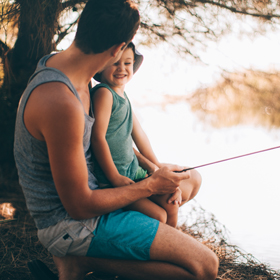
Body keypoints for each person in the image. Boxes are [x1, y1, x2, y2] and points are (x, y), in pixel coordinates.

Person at [13, 0, 219, 279]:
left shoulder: (73, 71)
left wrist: (154, 169)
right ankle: (78, 262)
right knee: (204, 268)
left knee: (189, 179)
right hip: (71, 225)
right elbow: (79, 206)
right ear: (117, 48)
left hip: (95, 195)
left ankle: (94, 258)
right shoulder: (59, 99)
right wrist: (148, 187)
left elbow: (111, 142)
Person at [90, 42, 200, 227]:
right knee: (159, 216)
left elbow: (139, 135)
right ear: (101, 66)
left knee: (171, 202)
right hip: (113, 181)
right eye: (115, 63)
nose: (122, 69)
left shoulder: (123, 97)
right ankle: (167, 243)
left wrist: (157, 169)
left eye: (127, 63)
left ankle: (172, 244)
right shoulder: (104, 94)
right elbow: (97, 138)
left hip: (134, 172)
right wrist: (114, 178)